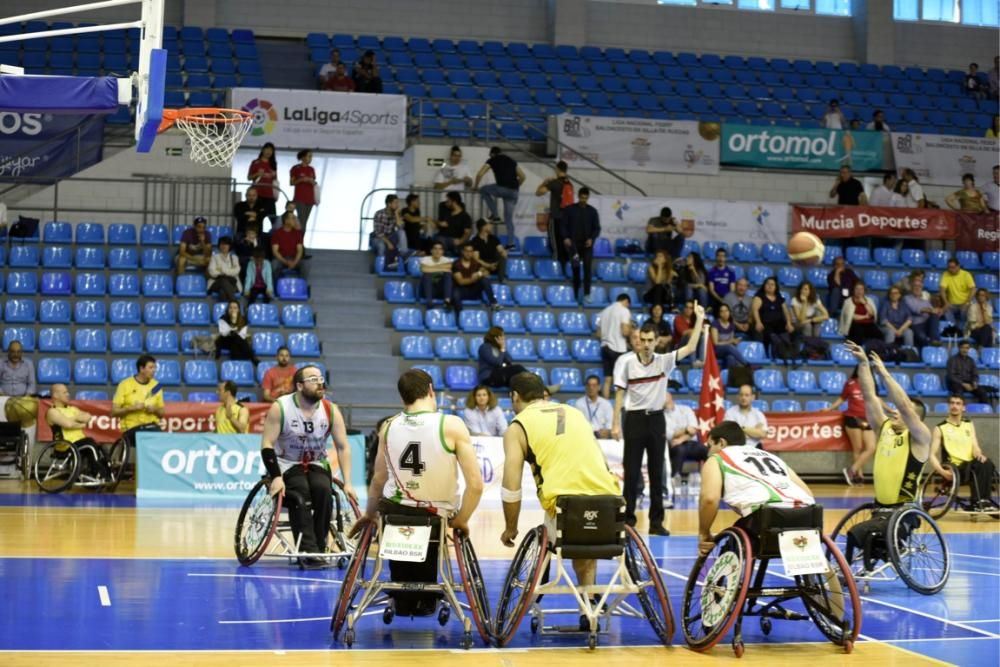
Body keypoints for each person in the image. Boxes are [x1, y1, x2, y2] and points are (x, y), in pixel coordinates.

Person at [352, 369, 482, 611]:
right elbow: (475, 485)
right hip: (434, 516)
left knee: (397, 520)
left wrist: (369, 514)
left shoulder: (388, 427)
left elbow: (378, 478)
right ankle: (424, 600)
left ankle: (401, 598)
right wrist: (462, 520)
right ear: (431, 390)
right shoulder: (451, 424)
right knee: (431, 531)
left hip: (394, 512)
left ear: (402, 398)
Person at [500, 371, 621, 601]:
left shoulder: (517, 427)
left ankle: (542, 593)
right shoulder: (574, 412)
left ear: (515, 396)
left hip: (566, 510)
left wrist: (510, 527)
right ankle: (589, 601)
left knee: (564, 518)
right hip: (610, 505)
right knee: (587, 525)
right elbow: (602, 460)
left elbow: (511, 487)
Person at [612, 307, 706, 532]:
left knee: (656, 472)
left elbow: (691, 347)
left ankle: (656, 522)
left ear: (656, 342)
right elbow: (619, 394)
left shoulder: (664, 361)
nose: (645, 344)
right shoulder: (627, 364)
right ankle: (628, 520)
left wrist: (700, 319)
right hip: (633, 419)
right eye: (642, 340)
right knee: (632, 472)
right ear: (638, 341)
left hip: (656, 420)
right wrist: (615, 423)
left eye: (650, 340)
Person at [841, 340, 930, 565]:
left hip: (904, 513)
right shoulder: (885, 429)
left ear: (914, 418)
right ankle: (850, 574)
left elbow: (905, 407)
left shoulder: (920, 437)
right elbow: (870, 398)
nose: (894, 412)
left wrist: (884, 373)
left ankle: (847, 575)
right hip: (880, 509)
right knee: (861, 536)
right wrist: (863, 364)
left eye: (901, 412)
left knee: (857, 533)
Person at [260, 365, 355, 568]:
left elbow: (343, 447)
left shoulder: (331, 410)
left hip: (316, 462)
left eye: (320, 378)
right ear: (300, 385)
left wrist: (348, 483)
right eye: (313, 379)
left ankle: (318, 549)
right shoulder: (281, 407)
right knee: (299, 494)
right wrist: (276, 476)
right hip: (286, 464)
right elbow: (267, 444)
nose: (320, 382)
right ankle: (307, 551)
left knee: (323, 491)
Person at [697, 421, 815, 556]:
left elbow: (710, 499)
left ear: (721, 443)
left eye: (710, 445)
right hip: (807, 514)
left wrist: (704, 532)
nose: (708, 451)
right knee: (810, 551)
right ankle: (826, 571)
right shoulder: (772, 457)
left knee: (733, 547)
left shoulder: (717, 458)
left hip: (766, 518)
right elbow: (808, 493)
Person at [928, 395, 996, 509]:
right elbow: (931, 455)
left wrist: (979, 454)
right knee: (979, 466)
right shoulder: (940, 428)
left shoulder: (968, 424)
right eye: (952, 403)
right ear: (949, 406)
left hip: (971, 465)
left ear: (963, 408)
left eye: (958, 403)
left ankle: (984, 501)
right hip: (955, 468)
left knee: (987, 462)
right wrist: (942, 472)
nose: (955, 406)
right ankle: (978, 502)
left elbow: (975, 446)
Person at [823, 366, 876, 486]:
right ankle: (859, 476)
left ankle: (851, 470)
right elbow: (842, 398)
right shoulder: (850, 383)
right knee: (857, 448)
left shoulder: (871, 384)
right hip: (852, 417)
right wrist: (830, 408)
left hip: (868, 418)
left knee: (871, 447)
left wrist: (888, 409)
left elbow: (876, 399)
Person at [46, 383, 109, 479]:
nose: (68, 394)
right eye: (65, 392)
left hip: (80, 442)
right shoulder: (52, 412)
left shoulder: (72, 409)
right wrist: (79, 422)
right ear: (56, 395)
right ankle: (99, 473)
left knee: (100, 447)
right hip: (65, 445)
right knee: (90, 442)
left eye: (67, 392)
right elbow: (68, 425)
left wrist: (71, 419)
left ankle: (108, 471)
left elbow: (88, 417)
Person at [111, 355, 164, 447]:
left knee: (163, 439)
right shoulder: (125, 384)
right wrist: (131, 408)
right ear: (141, 368)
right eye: (151, 367)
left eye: (155, 367)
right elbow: (113, 412)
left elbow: (162, 413)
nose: (154, 370)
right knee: (147, 439)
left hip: (151, 426)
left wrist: (155, 409)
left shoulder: (156, 386)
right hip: (132, 428)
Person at [560, 187, 600, 303]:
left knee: (587, 269)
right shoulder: (570, 210)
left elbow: (597, 228)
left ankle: (587, 294)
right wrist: (566, 237)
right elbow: (563, 226)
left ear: (588, 197)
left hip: (587, 246)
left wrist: (592, 239)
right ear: (578, 196)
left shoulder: (593, 211)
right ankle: (576, 293)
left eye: (585, 198)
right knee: (576, 267)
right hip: (574, 247)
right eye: (582, 197)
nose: (583, 200)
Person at [475, 146, 525, 241]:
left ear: (492, 154)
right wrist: (516, 186)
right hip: (514, 192)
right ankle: (511, 243)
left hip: (502, 188)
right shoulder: (511, 160)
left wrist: (475, 186)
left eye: (490, 155)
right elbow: (523, 176)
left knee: (483, 190)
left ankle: (496, 215)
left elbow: (480, 174)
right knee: (508, 219)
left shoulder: (492, 160)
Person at [664, 392, 706, 494]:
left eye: (664, 396)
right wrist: (686, 429)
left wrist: (681, 439)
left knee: (706, 450)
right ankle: (675, 479)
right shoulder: (661, 415)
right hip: (672, 445)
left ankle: (710, 479)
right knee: (679, 449)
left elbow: (694, 429)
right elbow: (669, 435)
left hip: (690, 443)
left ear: (670, 396)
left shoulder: (686, 409)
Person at [536, 160, 573, 262]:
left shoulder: (555, 183)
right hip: (567, 220)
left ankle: (556, 269)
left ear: (557, 169)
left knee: (555, 246)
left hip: (555, 218)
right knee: (564, 244)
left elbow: (538, 193)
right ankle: (565, 269)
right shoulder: (569, 184)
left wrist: (545, 182)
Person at [598, 293, 633, 399]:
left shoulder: (604, 311)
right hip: (618, 347)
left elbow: (598, 333)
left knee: (607, 379)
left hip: (604, 346)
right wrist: (631, 328)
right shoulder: (624, 311)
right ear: (626, 301)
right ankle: (622, 404)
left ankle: (606, 403)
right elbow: (625, 332)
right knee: (621, 379)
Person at [750, 276, 794, 357]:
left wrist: (789, 323)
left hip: (779, 324)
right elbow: (755, 310)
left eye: (772, 284)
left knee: (792, 333)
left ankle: (790, 355)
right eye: (768, 284)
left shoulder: (780, 298)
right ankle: (775, 355)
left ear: (776, 287)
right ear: (764, 285)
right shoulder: (759, 297)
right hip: (765, 324)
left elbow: (786, 312)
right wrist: (758, 322)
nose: (770, 286)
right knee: (773, 337)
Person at [452, 242, 499, 313]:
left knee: (485, 280)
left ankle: (494, 303)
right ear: (462, 252)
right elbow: (460, 282)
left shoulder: (475, 263)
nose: (468, 253)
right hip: (462, 290)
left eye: (471, 251)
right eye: (466, 251)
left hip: (474, 290)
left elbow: (486, 272)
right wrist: (473, 279)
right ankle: (460, 316)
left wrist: (479, 273)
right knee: (455, 294)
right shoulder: (456, 264)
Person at [433, 146, 473, 221]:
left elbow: (470, 184)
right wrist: (451, 182)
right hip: (445, 201)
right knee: (444, 225)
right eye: (455, 155)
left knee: (459, 226)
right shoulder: (444, 167)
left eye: (459, 156)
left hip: (459, 202)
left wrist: (464, 180)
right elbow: (436, 187)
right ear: (451, 156)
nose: (457, 158)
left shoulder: (465, 168)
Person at [723, 384, 768, 449]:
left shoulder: (759, 415)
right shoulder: (730, 413)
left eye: (747, 395)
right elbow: (730, 434)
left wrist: (741, 428)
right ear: (737, 396)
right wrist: (754, 431)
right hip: (735, 448)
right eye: (741, 395)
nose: (743, 398)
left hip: (755, 448)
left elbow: (762, 434)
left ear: (753, 397)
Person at [939, 257, 976, 330]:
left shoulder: (966, 274)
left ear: (958, 266)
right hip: (952, 304)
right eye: (949, 267)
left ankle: (962, 331)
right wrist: (946, 303)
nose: (950, 269)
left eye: (953, 267)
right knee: (946, 309)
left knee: (965, 311)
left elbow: (973, 289)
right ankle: (954, 329)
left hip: (965, 302)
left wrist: (967, 302)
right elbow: (942, 289)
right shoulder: (946, 274)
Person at [839, 281, 879, 346]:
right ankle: (858, 351)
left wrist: (864, 303)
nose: (859, 291)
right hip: (853, 324)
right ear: (853, 290)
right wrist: (865, 317)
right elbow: (852, 316)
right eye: (857, 289)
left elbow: (871, 314)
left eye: (861, 289)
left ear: (864, 291)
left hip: (868, 324)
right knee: (858, 332)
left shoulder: (869, 300)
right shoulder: (848, 301)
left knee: (878, 334)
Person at [573, 375, 613, 439]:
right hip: (585, 437)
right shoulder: (579, 404)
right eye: (589, 385)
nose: (591, 388)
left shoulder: (606, 404)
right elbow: (577, 424)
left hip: (603, 437)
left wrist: (607, 431)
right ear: (585, 387)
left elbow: (610, 423)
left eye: (594, 385)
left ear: (599, 387)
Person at [712, 304, 749, 369]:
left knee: (731, 357)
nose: (725, 313)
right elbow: (716, 343)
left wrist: (735, 341)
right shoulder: (715, 323)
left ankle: (729, 376)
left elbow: (731, 341)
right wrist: (730, 341)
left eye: (726, 311)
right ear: (719, 314)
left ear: (729, 312)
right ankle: (746, 364)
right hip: (717, 350)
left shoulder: (731, 324)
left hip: (727, 351)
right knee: (729, 347)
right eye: (722, 311)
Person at [470, 218, 508, 283]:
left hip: (494, 265)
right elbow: (476, 259)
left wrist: (504, 252)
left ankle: (502, 280)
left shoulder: (493, 238)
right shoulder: (475, 241)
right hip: (483, 265)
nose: (491, 226)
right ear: (483, 227)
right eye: (489, 224)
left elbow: (501, 250)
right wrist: (488, 265)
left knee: (502, 256)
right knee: (479, 268)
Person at [419, 241, 454, 310]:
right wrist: (441, 268)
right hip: (427, 289)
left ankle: (447, 301)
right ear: (431, 251)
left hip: (441, 289)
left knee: (448, 275)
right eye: (435, 249)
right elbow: (424, 269)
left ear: (442, 251)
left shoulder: (446, 260)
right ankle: (429, 301)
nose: (438, 251)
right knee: (427, 275)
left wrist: (430, 268)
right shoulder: (425, 259)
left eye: (440, 249)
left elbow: (448, 269)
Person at [248, 143, 278, 223]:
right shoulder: (256, 162)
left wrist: (273, 175)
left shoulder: (273, 164)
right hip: (257, 195)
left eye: (271, 150)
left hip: (269, 195)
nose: (269, 152)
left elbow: (275, 180)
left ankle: (272, 235)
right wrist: (257, 174)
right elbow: (249, 177)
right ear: (262, 150)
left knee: (273, 219)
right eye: (267, 149)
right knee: (257, 218)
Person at [207, 236, 242, 303]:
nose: (223, 246)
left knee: (222, 292)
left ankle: (226, 311)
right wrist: (229, 271)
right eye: (222, 244)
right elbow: (212, 272)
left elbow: (237, 271)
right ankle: (234, 303)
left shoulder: (234, 258)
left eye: (226, 244)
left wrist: (221, 270)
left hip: (233, 283)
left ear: (229, 246)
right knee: (223, 280)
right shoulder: (214, 257)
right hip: (216, 283)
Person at [289, 149, 318, 230]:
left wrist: (312, 182)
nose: (310, 158)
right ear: (303, 157)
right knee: (301, 221)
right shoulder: (296, 168)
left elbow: (314, 182)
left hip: (310, 199)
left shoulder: (311, 169)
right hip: (299, 198)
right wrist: (301, 180)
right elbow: (291, 183)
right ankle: (299, 240)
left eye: (311, 157)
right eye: (309, 156)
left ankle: (300, 240)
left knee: (304, 222)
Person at [370, 194, 401, 269]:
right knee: (381, 245)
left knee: (401, 233)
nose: (398, 205)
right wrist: (388, 243)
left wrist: (396, 214)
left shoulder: (396, 214)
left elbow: (401, 227)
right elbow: (378, 233)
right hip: (378, 238)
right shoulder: (380, 214)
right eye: (396, 203)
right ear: (389, 204)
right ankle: (381, 267)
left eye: (398, 203)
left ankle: (402, 255)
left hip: (390, 237)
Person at [272, 212, 306, 278]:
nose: (295, 221)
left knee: (305, 265)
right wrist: (286, 262)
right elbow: (275, 251)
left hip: (294, 258)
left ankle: (302, 285)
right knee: (274, 264)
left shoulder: (298, 233)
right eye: (293, 218)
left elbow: (300, 250)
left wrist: (294, 262)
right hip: (282, 258)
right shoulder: (277, 233)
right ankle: (275, 285)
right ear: (286, 220)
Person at [707, 248, 737, 314]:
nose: (721, 258)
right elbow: (711, 290)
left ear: (725, 258)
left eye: (723, 256)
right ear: (716, 257)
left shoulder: (730, 272)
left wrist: (726, 299)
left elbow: (732, 289)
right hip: (715, 297)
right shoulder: (711, 271)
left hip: (727, 297)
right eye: (719, 256)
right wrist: (721, 300)